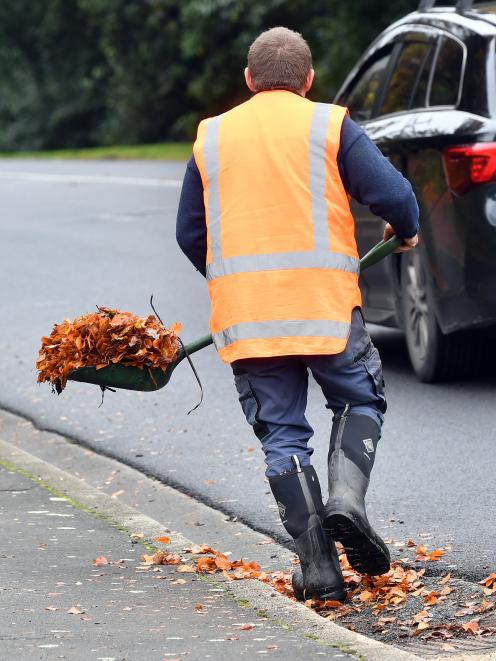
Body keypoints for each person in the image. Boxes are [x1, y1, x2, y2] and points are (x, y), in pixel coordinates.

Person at [176, 27, 419, 603]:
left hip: (249, 319)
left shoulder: (209, 138)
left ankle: (319, 570)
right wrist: (403, 232)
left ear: (248, 81)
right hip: (325, 310)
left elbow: (190, 234)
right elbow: (398, 198)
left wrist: (239, 282)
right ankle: (347, 503)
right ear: (308, 80)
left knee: (281, 435)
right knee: (358, 399)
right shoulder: (329, 125)